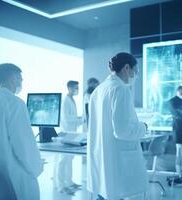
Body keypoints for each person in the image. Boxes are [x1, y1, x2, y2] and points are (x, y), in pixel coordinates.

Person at [87, 52, 148, 200]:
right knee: (115, 192)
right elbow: (122, 131)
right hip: (117, 160)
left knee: (105, 191)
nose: (136, 75)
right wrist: (143, 127)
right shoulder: (121, 89)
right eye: (136, 70)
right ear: (127, 68)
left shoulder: (98, 90)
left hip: (102, 157)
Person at [0, 63, 43, 200]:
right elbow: (24, 146)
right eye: (20, 79)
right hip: (15, 181)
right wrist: (37, 167)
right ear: (13, 78)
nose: (21, 82)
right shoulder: (15, 104)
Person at [54, 80, 83, 194]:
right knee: (63, 160)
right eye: (76, 88)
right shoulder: (65, 101)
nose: (77, 90)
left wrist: (79, 118)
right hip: (66, 133)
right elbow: (66, 118)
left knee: (69, 158)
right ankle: (61, 186)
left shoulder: (72, 100)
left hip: (72, 133)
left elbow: (72, 117)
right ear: (69, 88)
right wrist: (80, 119)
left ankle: (69, 182)